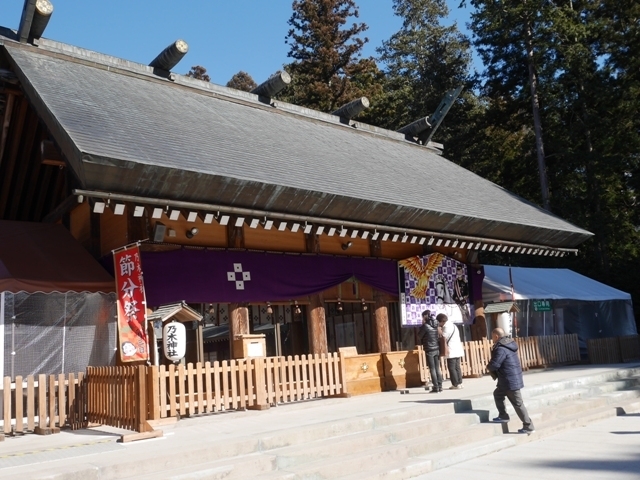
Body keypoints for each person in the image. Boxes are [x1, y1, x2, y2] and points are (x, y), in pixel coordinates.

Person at [486, 328, 535, 434]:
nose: (492, 338)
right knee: (498, 394)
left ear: (496, 336)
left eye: (492, 336)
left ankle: (528, 425)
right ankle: (503, 415)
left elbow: (495, 364)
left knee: (518, 403)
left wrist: (488, 367)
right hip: (507, 379)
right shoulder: (507, 344)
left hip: (509, 380)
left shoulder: (501, 349)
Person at [436, 314, 464, 389]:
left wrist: (439, 331)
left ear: (442, 321)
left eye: (439, 323)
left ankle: (455, 384)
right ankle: (460, 383)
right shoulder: (454, 325)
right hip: (457, 348)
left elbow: (443, 337)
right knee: (457, 367)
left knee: (452, 367)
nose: (439, 324)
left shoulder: (447, 327)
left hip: (451, 349)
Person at [418, 310, 442, 393]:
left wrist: (422, 325)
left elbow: (419, 336)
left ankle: (436, 387)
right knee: (437, 368)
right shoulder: (436, 323)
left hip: (429, 348)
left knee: (432, 368)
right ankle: (440, 385)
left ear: (425, 316)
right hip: (436, 348)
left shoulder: (425, 326)